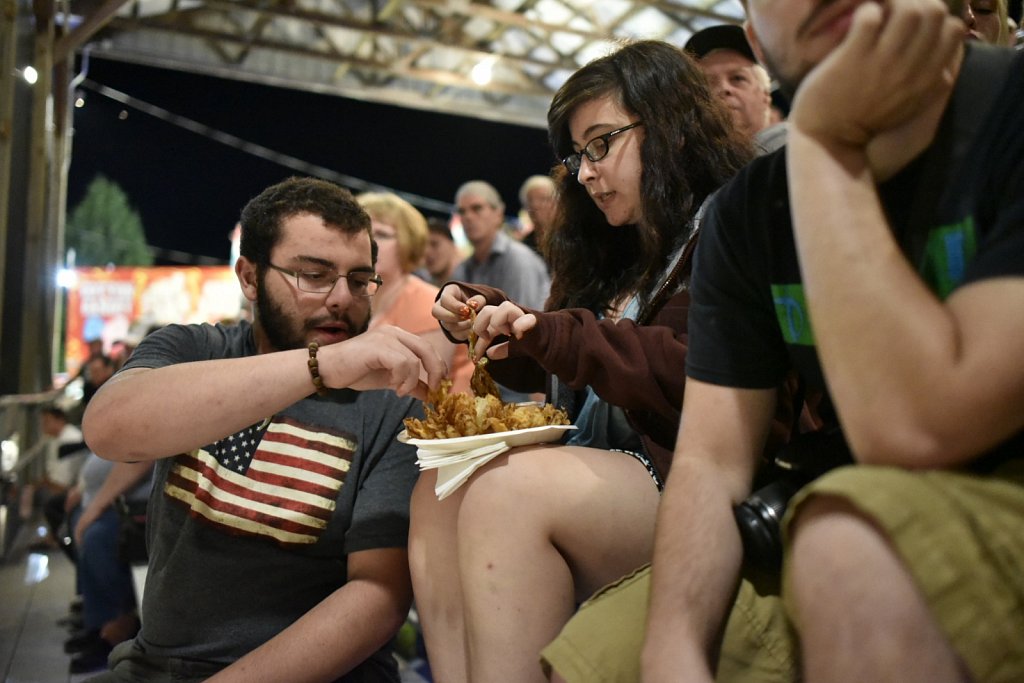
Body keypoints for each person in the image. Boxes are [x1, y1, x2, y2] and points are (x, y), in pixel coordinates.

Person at [542, 1, 1024, 682]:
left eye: (603, 145)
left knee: (851, 549)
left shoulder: (1006, 107)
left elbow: (925, 427)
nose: (589, 174)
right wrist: (672, 647)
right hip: (838, 501)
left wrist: (827, 145)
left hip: (960, 494)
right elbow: (711, 461)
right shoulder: (750, 209)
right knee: (594, 657)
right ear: (757, 39)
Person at [410, 40, 757, 682]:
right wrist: (496, 321)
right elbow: (568, 368)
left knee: (508, 494)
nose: (586, 172)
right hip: (615, 466)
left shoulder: (730, 221)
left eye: (602, 144)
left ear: (673, 127)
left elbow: (688, 365)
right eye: (577, 154)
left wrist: (550, 332)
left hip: (694, 476)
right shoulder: (613, 245)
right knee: (439, 483)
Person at [81, 176, 446, 683]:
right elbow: (109, 428)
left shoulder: (393, 405)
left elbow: (378, 596)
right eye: (314, 276)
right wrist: (321, 366)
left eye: (360, 281)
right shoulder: (197, 350)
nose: (343, 299)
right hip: (156, 662)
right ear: (249, 278)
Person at [357, 191, 472, 394]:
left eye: (381, 234)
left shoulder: (428, 304)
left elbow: (415, 393)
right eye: (362, 232)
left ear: (407, 244)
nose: (369, 242)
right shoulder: (359, 297)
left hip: (443, 421)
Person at [63, 456, 154, 674]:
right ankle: (97, 620)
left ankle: (118, 625)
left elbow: (139, 458)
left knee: (96, 538)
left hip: (135, 505)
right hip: (112, 500)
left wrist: (95, 507)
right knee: (78, 524)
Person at [685, 24, 787, 153]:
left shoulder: (797, 144)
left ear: (765, 94)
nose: (723, 88)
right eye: (709, 83)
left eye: (738, 78)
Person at [450, 180, 550, 312]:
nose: (468, 217)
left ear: (498, 213)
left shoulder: (519, 260)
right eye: (462, 211)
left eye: (477, 208)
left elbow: (525, 323)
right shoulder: (462, 269)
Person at [516, 174, 558, 256]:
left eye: (542, 199)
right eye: (530, 201)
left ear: (557, 203)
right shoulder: (522, 248)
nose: (535, 205)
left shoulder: (572, 239)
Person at [417, 216, 463, 287]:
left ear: (452, 246)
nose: (427, 252)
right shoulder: (422, 285)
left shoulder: (472, 282)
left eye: (434, 244)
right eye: (423, 248)